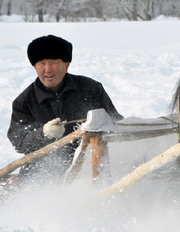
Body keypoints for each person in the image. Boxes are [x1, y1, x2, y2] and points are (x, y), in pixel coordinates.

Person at [7, 34, 123, 183]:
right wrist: (45, 134)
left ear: (66, 65)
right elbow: (19, 140)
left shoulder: (91, 89)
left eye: (53, 62)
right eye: (42, 63)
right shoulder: (24, 101)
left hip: (90, 166)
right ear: (35, 67)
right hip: (43, 174)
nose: (47, 69)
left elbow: (115, 123)